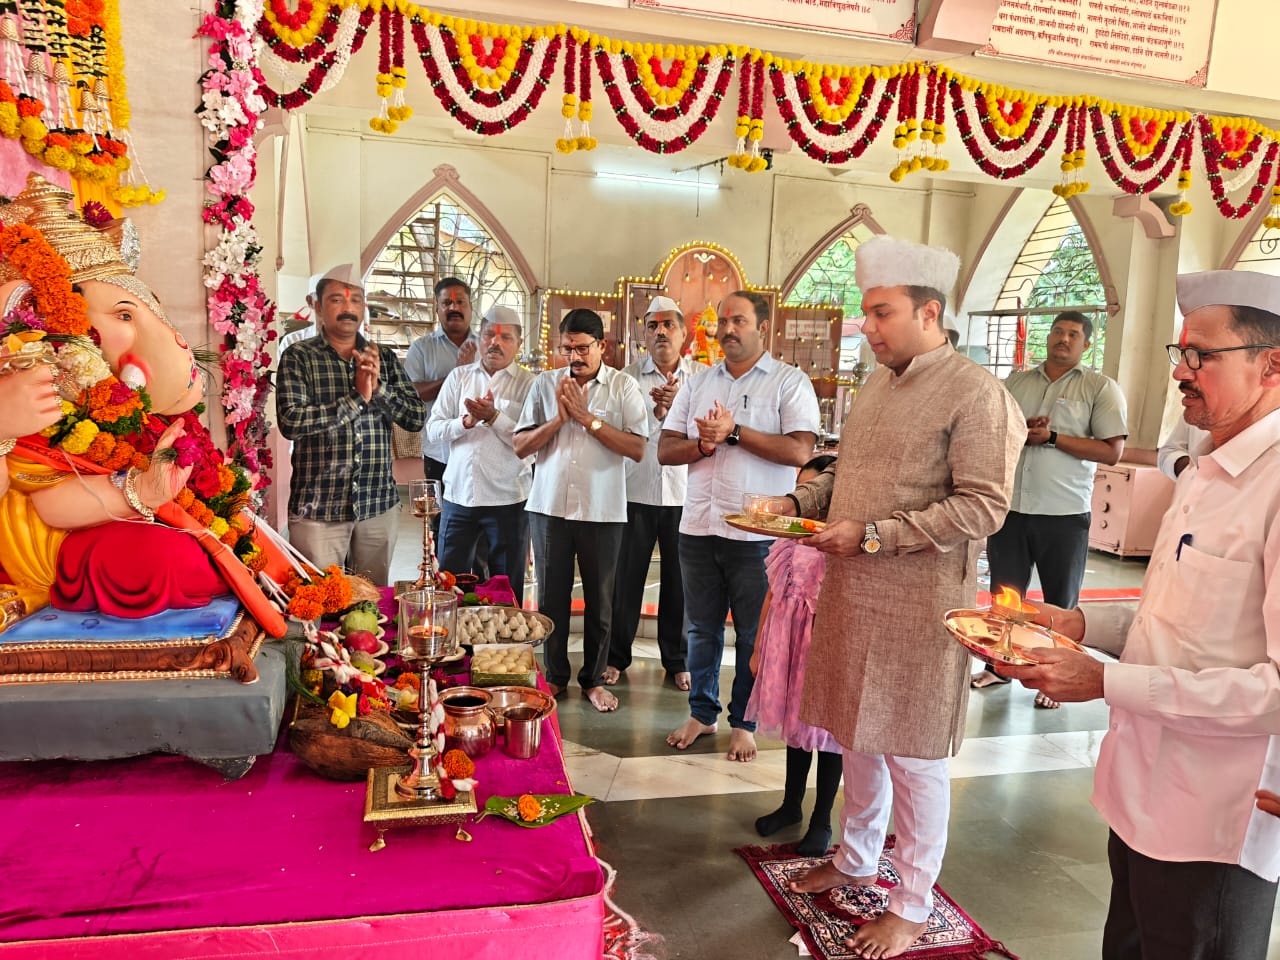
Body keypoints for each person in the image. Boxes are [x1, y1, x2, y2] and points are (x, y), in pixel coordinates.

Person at [1002, 269, 1280, 960]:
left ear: (1272, 365)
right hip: (1141, 790)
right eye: (1180, 353)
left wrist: (1104, 682)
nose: (1181, 372)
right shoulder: (1207, 468)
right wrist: (1078, 626)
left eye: (1201, 356)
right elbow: (1178, 621)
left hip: (1216, 814)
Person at [770, 235, 1025, 959]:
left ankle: (912, 904)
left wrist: (878, 536)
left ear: (930, 312)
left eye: (882, 312)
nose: (868, 327)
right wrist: (795, 503)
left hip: (920, 605)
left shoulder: (977, 394)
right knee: (859, 738)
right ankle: (855, 859)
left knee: (914, 755)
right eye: (867, 312)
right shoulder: (879, 385)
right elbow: (846, 476)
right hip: (855, 594)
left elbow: (983, 506)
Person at [660, 290, 820, 763]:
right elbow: (666, 449)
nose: (728, 329)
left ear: (763, 327)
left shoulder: (788, 382)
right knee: (700, 630)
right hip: (699, 525)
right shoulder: (698, 383)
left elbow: (800, 451)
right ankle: (701, 713)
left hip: (757, 535)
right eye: (723, 321)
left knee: (753, 634)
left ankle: (744, 723)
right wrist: (703, 446)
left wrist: (734, 433)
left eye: (739, 321)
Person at [973, 310, 1127, 706]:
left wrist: (1054, 437)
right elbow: (995, 428)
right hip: (1012, 509)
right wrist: (1023, 429)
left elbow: (1112, 451)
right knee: (1005, 594)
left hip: (1064, 513)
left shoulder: (1099, 388)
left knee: (1060, 602)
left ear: (1086, 343)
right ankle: (998, 666)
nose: (1063, 339)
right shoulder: (1017, 382)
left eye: (1073, 334)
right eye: (1058, 331)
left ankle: (1055, 680)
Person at [514, 309, 647, 712]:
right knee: (550, 598)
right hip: (549, 507)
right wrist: (559, 419)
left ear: (602, 346)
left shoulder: (622, 387)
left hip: (602, 510)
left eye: (583, 348)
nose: (574, 356)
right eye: (567, 348)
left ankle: (593, 679)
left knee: (600, 601)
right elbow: (520, 446)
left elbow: (638, 448)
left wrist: (588, 420)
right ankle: (555, 676)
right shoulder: (545, 384)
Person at [277, 264, 425, 585]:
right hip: (318, 510)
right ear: (318, 306)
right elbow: (291, 421)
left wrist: (379, 388)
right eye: (336, 299)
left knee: (372, 602)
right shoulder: (298, 357)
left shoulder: (384, 359)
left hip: (377, 506)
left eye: (355, 300)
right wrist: (357, 399)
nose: (348, 308)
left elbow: (415, 418)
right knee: (320, 601)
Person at [606, 295, 704, 692]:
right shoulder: (625, 379)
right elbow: (618, 434)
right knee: (626, 580)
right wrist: (658, 414)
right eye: (652, 326)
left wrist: (678, 408)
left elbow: (712, 432)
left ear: (683, 333)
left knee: (680, 582)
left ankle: (678, 659)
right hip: (635, 492)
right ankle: (616, 656)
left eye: (668, 325)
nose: (660, 332)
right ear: (643, 335)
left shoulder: (702, 378)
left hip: (685, 494)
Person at [747, 453, 842, 858]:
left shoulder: (838, 548)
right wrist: (759, 648)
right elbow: (772, 595)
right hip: (786, 645)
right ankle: (791, 804)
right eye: (799, 490)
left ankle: (822, 820)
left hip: (822, 649)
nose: (804, 501)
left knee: (827, 736)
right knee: (796, 726)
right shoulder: (789, 540)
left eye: (812, 492)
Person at [424, 306, 535, 604]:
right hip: (459, 497)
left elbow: (532, 444)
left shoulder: (530, 385)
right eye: (489, 335)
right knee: (449, 585)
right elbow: (433, 430)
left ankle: (503, 635)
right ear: (479, 338)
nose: (495, 342)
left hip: (508, 500)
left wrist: (495, 417)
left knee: (505, 589)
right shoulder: (459, 377)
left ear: (519, 343)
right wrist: (465, 422)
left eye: (505, 337)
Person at [403, 277, 479, 498]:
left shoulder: (486, 346)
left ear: (471, 308)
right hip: (439, 451)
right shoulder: (422, 348)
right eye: (447, 303)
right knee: (438, 515)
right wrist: (456, 374)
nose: (454, 308)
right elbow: (411, 393)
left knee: (478, 515)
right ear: (437, 309)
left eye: (460, 302)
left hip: (479, 450)